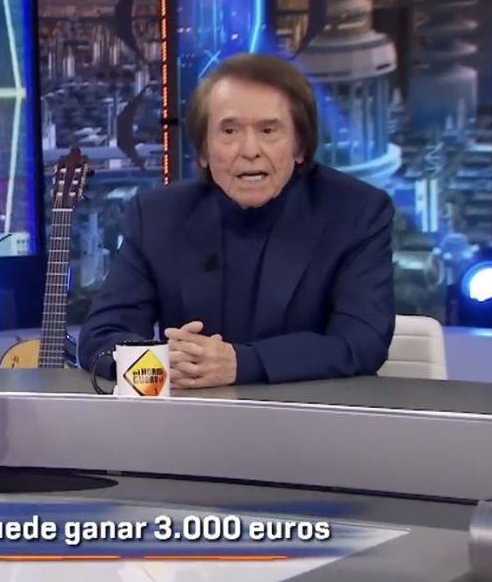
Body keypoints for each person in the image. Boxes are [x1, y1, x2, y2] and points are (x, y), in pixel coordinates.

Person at [79, 53, 395, 387]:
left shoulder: (355, 213)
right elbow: (100, 338)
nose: (249, 150)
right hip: (192, 415)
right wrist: (161, 365)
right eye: (229, 131)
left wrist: (242, 363)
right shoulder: (158, 216)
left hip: (309, 413)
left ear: (300, 146)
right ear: (204, 151)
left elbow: (362, 342)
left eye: (268, 130)